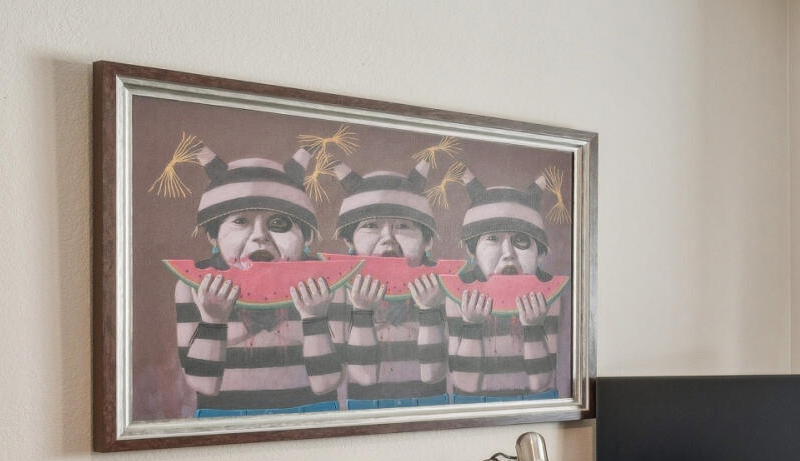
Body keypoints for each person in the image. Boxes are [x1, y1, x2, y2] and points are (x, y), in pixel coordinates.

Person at [161, 145, 342, 416]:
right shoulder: (192, 286)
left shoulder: (326, 285)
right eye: (241, 221)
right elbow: (204, 385)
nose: (260, 236)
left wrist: (314, 318)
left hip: (312, 417)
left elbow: (326, 383)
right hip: (223, 420)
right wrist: (213, 321)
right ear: (213, 236)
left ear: (305, 236)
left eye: (279, 222)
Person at [331, 152, 451, 410]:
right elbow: (363, 377)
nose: (388, 238)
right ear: (349, 241)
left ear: (428, 241)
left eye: (403, 226)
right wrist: (362, 312)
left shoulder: (445, 292)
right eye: (371, 225)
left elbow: (433, 374)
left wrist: (429, 310)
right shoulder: (334, 295)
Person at [446, 172, 567, 402]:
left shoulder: (548, 296)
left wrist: (533, 328)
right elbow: (464, 384)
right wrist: (471, 325)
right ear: (472, 251)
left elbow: (541, 383)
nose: (508, 253)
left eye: (521, 241)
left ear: (541, 253)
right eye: (492, 238)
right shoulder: (459, 294)